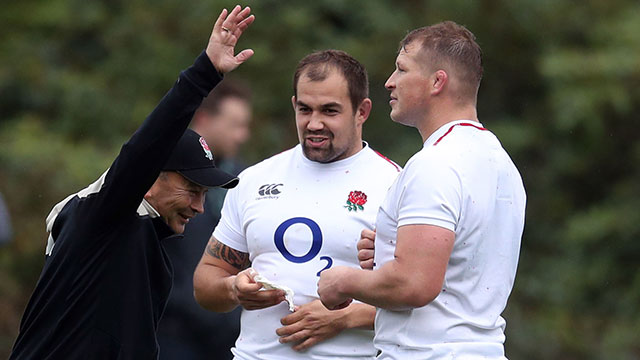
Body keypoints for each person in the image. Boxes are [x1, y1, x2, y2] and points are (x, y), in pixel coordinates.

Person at [10, 6, 255, 359]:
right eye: (191, 189)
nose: (200, 207)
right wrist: (204, 73)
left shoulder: (151, 240)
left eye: (204, 193)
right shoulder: (104, 217)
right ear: (150, 176)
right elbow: (144, 147)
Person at [318, 21, 527, 360]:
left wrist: (342, 281)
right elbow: (460, 260)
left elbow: (414, 284)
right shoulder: (500, 161)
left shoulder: (435, 163)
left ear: (437, 82)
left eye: (401, 69)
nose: (389, 81)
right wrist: (391, 248)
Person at [193, 50, 401, 359]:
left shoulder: (396, 184)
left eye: (330, 111)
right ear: (294, 105)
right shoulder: (254, 180)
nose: (314, 123)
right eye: (305, 109)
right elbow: (206, 282)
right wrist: (234, 289)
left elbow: (427, 296)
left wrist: (345, 317)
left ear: (362, 111)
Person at [157, 81, 253, 360]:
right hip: (171, 334)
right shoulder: (161, 176)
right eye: (235, 124)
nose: (243, 135)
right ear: (204, 119)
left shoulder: (244, 179)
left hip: (225, 337)